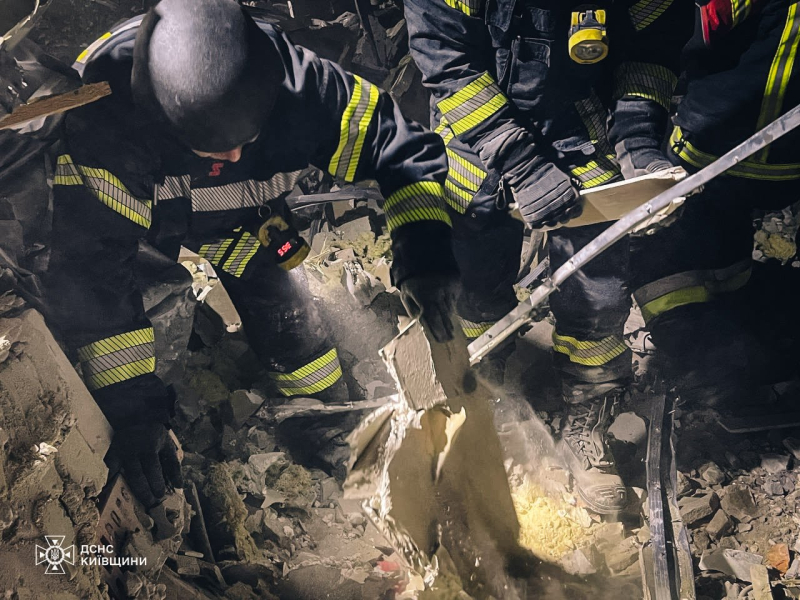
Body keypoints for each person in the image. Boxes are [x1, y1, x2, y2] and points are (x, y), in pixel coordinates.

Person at [45, 0, 458, 509]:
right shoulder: (106, 127)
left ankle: (322, 414)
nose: (236, 156)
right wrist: (133, 409)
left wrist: (426, 256)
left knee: (296, 325)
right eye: (214, 149)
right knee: (141, 319)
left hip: (239, 221)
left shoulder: (304, 89)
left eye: (248, 138)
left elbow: (402, 152)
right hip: (145, 228)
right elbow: (93, 275)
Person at [404, 0, 691, 513]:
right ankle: (479, 390)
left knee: (598, 297)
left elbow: (652, 47)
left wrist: (638, 137)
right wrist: (519, 160)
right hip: (478, 142)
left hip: (583, 130)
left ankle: (586, 420)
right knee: (474, 280)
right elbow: (445, 58)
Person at [631, 0, 800, 406]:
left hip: (715, 147)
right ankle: (730, 347)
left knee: (674, 255)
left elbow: (705, 28)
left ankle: (700, 358)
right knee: (728, 255)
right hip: (788, 163)